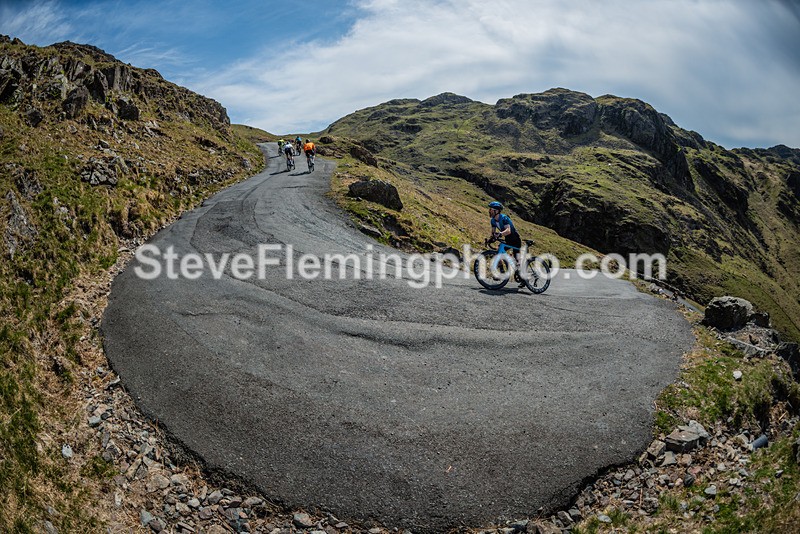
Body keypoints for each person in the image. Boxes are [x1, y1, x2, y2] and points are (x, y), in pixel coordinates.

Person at [487, 201, 525, 286]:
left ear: (496, 211)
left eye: (491, 209)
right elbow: (493, 233)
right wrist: (491, 239)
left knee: (517, 259)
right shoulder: (493, 221)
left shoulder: (504, 218)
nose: (489, 211)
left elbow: (508, 230)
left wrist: (500, 234)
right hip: (507, 239)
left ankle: (523, 279)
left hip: (515, 239)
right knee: (498, 252)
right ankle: (501, 271)